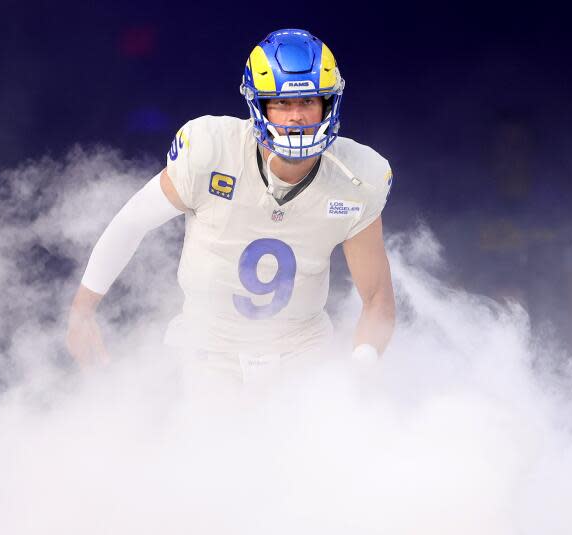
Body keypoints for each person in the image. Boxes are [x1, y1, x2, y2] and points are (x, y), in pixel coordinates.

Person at [66, 29, 395, 380]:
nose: (296, 117)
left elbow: (377, 298)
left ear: (328, 104)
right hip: (205, 350)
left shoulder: (356, 179)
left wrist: (360, 368)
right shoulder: (211, 151)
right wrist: (82, 310)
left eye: (307, 101)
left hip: (302, 354)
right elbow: (132, 222)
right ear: (258, 104)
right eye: (281, 103)